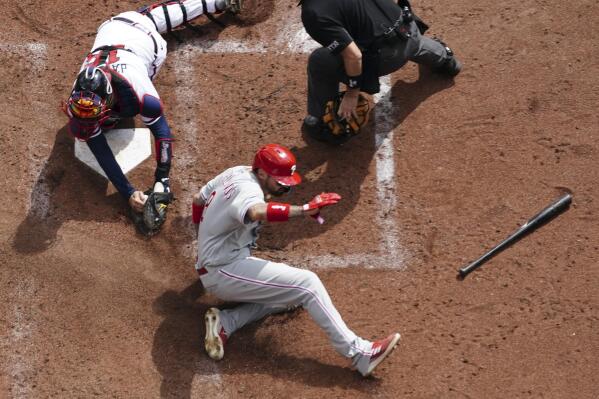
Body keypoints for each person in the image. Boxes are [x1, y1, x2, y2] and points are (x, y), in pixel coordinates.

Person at [192, 143, 401, 376]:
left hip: (219, 263)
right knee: (307, 285)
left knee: (290, 297)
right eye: (280, 182)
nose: (284, 187)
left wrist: (204, 241)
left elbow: (198, 199)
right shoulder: (248, 191)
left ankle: (227, 322)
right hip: (223, 271)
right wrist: (303, 210)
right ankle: (359, 353)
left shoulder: (237, 171)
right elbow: (256, 212)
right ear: (262, 173)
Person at [63, 0, 242, 216]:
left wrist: (162, 179)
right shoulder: (82, 93)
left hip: (149, 44)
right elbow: (99, 149)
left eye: (92, 112)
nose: (85, 116)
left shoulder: (138, 91)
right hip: (111, 27)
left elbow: (162, 134)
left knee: (113, 119)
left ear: (109, 95)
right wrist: (128, 192)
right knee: (150, 18)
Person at [299, 0, 462, 143]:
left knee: (320, 60)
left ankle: (326, 126)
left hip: (388, 57)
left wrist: (352, 94)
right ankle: (445, 59)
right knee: (403, 38)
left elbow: (354, 56)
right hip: (409, 27)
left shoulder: (313, 13)